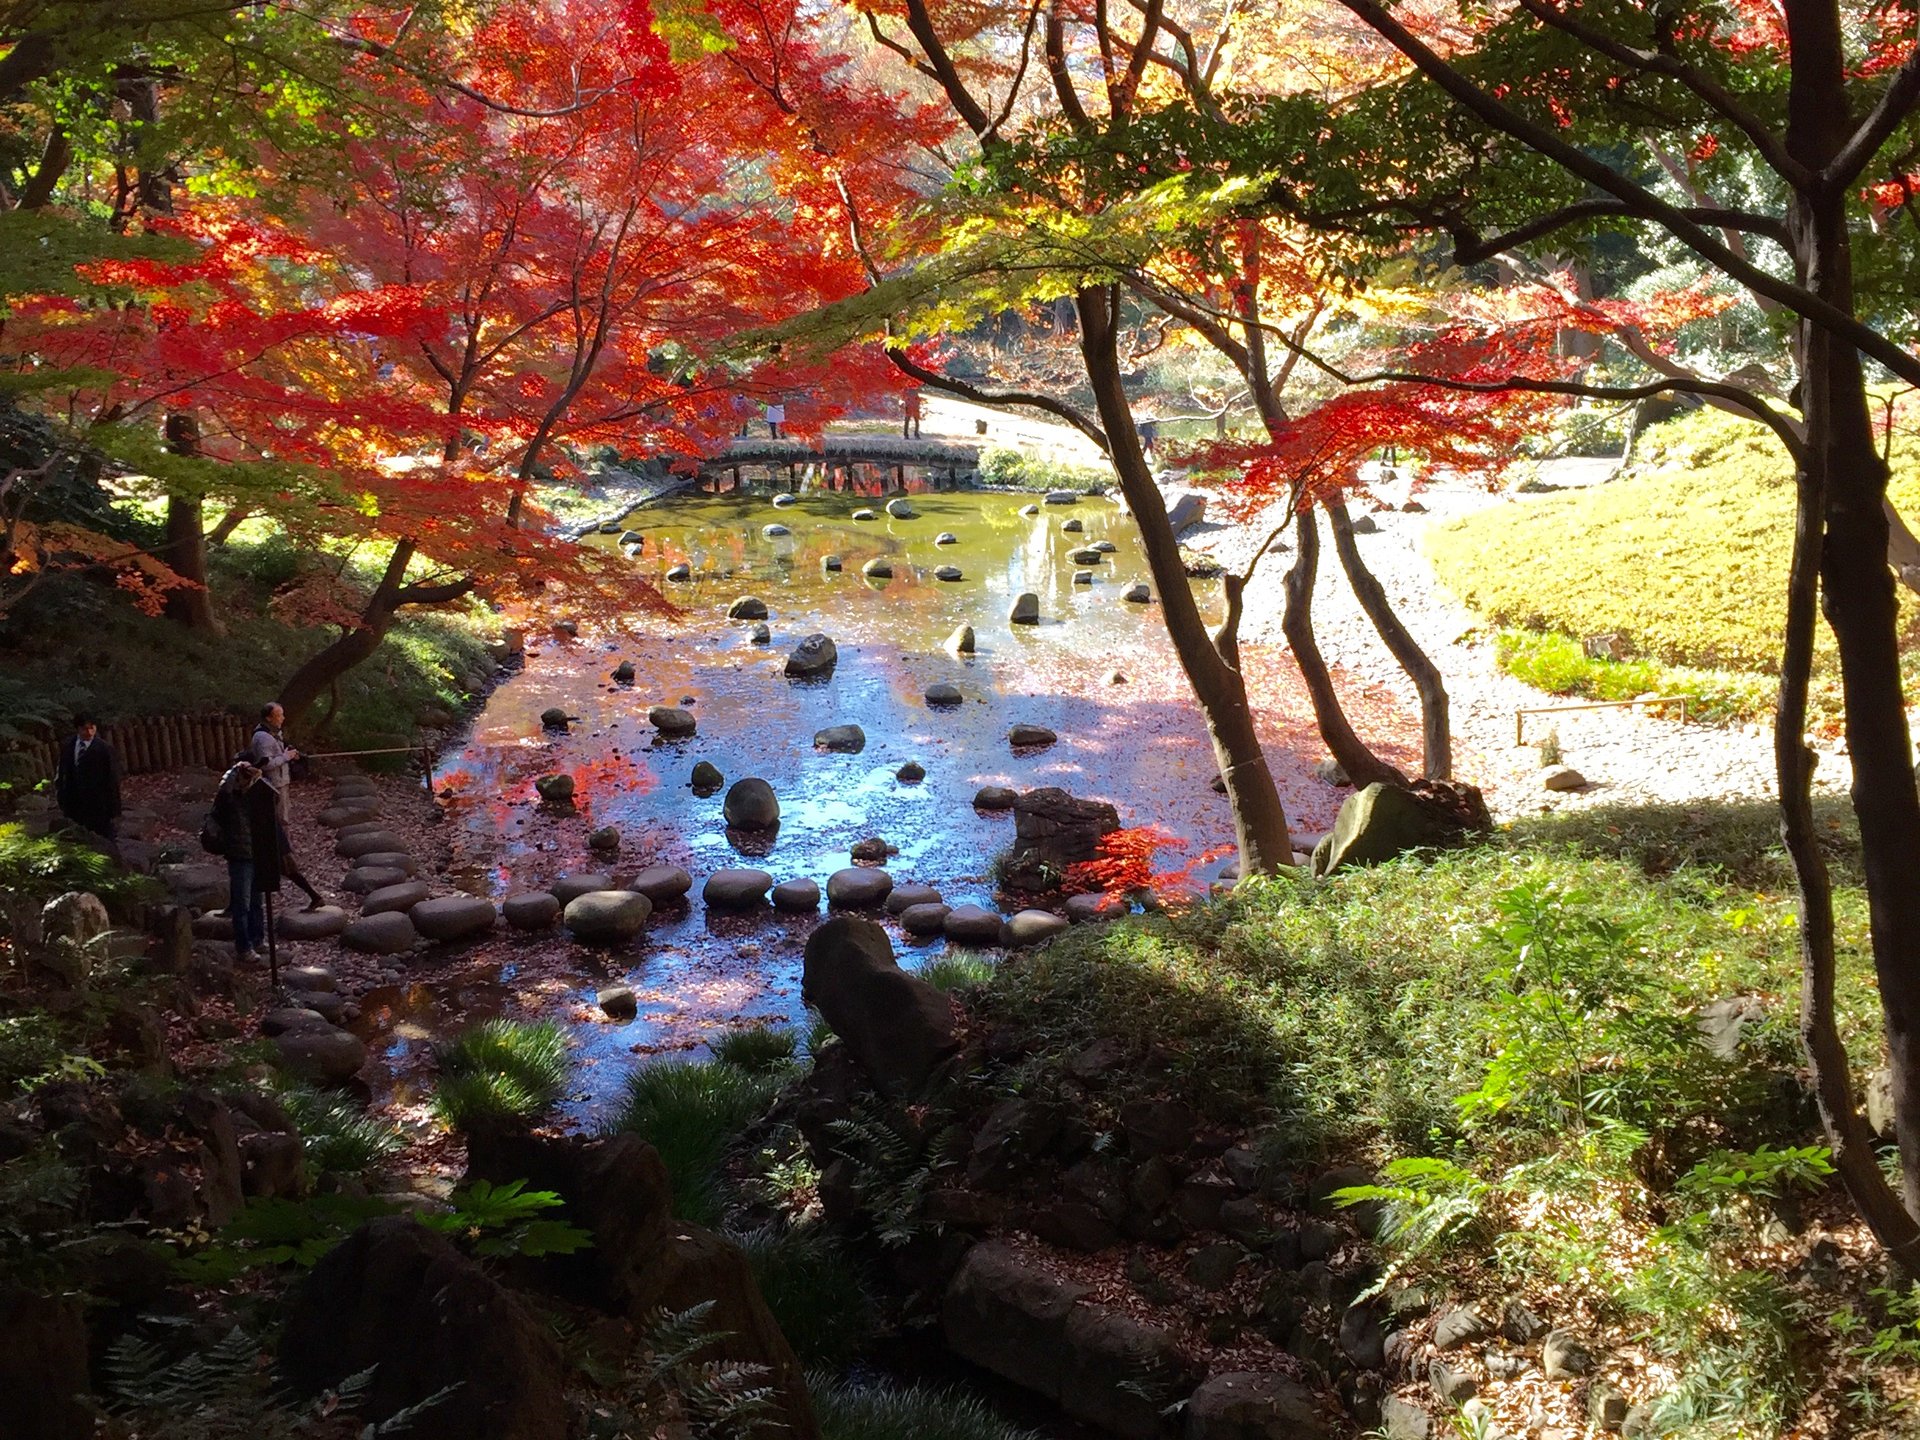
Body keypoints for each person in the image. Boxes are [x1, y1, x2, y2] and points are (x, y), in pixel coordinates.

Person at [211, 762, 266, 960]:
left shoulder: (253, 799)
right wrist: (234, 770)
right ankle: (244, 947)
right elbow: (224, 789)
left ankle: (257, 939)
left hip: (255, 853)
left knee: (256, 902)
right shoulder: (229, 800)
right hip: (239, 855)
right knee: (242, 904)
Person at [53, 712, 121, 839]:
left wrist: (114, 808)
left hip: (98, 803)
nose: (89, 732)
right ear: (78, 729)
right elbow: (63, 771)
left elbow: (112, 779)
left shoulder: (104, 749)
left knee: (103, 838)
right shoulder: (68, 746)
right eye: (85, 728)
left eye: (92, 728)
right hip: (74, 802)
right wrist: (61, 795)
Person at [248, 702, 299, 819]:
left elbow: (277, 754)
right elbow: (266, 764)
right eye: (279, 715)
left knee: (284, 815)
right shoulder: (263, 737)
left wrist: (289, 754)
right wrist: (286, 757)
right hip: (274, 783)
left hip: (281, 781)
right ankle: (281, 837)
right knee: (280, 819)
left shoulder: (275, 732)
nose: (283, 718)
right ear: (268, 718)